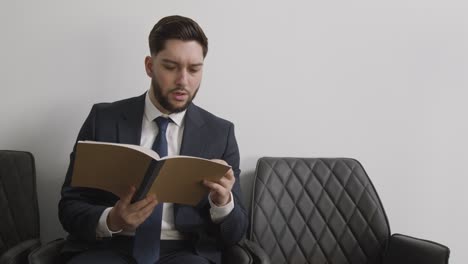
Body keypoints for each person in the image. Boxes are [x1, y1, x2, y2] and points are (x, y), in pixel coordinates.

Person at [58, 15, 248, 264]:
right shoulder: (102, 119)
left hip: (186, 252)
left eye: (194, 69)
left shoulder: (219, 133)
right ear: (150, 66)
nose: (183, 80)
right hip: (110, 246)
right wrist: (112, 219)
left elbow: (236, 233)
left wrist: (223, 204)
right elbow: (70, 206)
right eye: (170, 67)